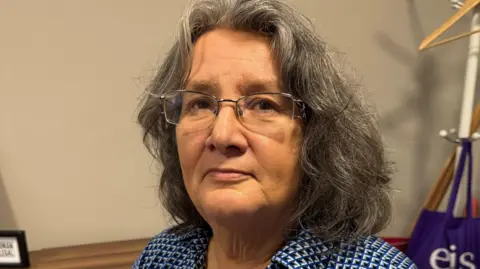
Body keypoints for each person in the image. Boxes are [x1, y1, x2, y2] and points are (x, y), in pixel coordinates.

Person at [133, 0, 417, 268]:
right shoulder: (163, 256)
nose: (222, 135)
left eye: (263, 105)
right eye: (201, 104)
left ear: (315, 137)